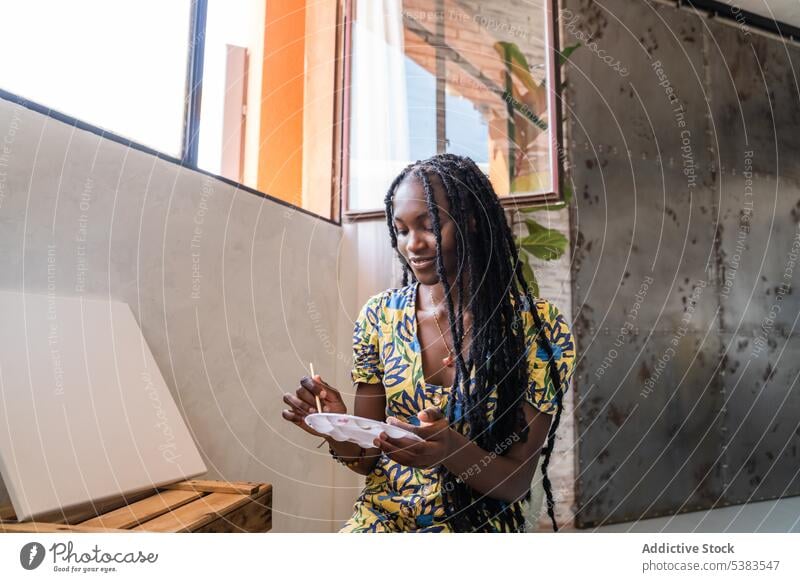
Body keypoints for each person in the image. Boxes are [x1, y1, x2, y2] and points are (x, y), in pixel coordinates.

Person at [282, 153, 575, 532]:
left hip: (476, 525)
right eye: (402, 230)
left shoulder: (538, 328)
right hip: (382, 520)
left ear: (469, 222)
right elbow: (368, 459)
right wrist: (338, 428)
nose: (413, 244)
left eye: (429, 225)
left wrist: (450, 449)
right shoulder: (379, 317)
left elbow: (515, 482)